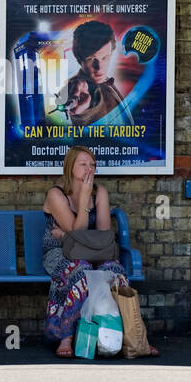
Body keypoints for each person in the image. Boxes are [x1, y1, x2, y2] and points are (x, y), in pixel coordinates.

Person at [42, 145, 157, 358]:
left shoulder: (100, 192)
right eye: (83, 164)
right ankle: (65, 336)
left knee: (115, 271)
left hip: (93, 250)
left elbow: (104, 234)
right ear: (70, 168)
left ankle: (136, 337)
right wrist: (84, 200)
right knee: (79, 270)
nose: (89, 169)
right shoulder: (56, 195)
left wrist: (89, 199)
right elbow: (76, 233)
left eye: (92, 165)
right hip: (60, 252)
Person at [68, 21, 133, 127]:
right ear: (79, 59)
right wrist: (80, 111)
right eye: (91, 59)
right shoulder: (80, 87)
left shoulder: (106, 81)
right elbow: (85, 112)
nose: (99, 67)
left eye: (105, 58)